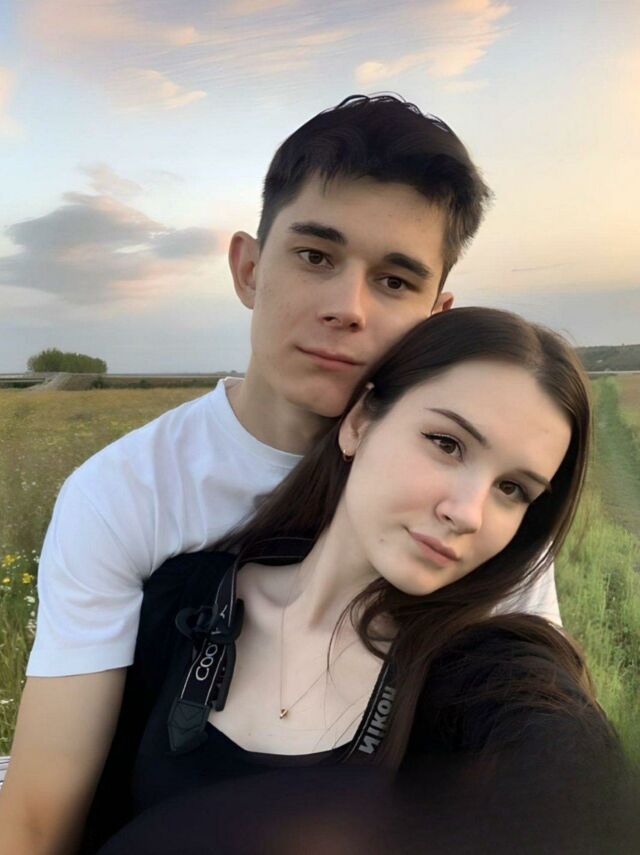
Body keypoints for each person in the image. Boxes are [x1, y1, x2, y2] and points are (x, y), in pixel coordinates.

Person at [0, 94, 560, 854]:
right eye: (315, 256)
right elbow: (38, 820)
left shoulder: (476, 517)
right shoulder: (124, 495)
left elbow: (538, 735)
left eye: (395, 281)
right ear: (249, 268)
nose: (348, 308)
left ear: (437, 317)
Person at [89, 307, 632, 854]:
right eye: (447, 444)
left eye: (512, 489)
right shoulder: (179, 601)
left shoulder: (484, 675)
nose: (468, 514)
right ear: (359, 423)